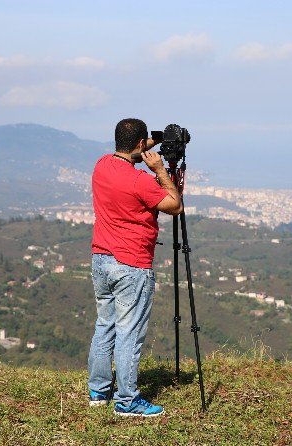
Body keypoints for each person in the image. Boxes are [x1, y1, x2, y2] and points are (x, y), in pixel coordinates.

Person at [87, 118, 183, 417]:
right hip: (132, 264)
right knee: (129, 333)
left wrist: (156, 140)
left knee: (105, 326)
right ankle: (127, 401)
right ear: (141, 145)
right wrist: (161, 170)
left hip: (101, 259)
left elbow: (132, 149)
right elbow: (174, 205)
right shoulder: (141, 180)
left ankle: (98, 391)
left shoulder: (102, 165)